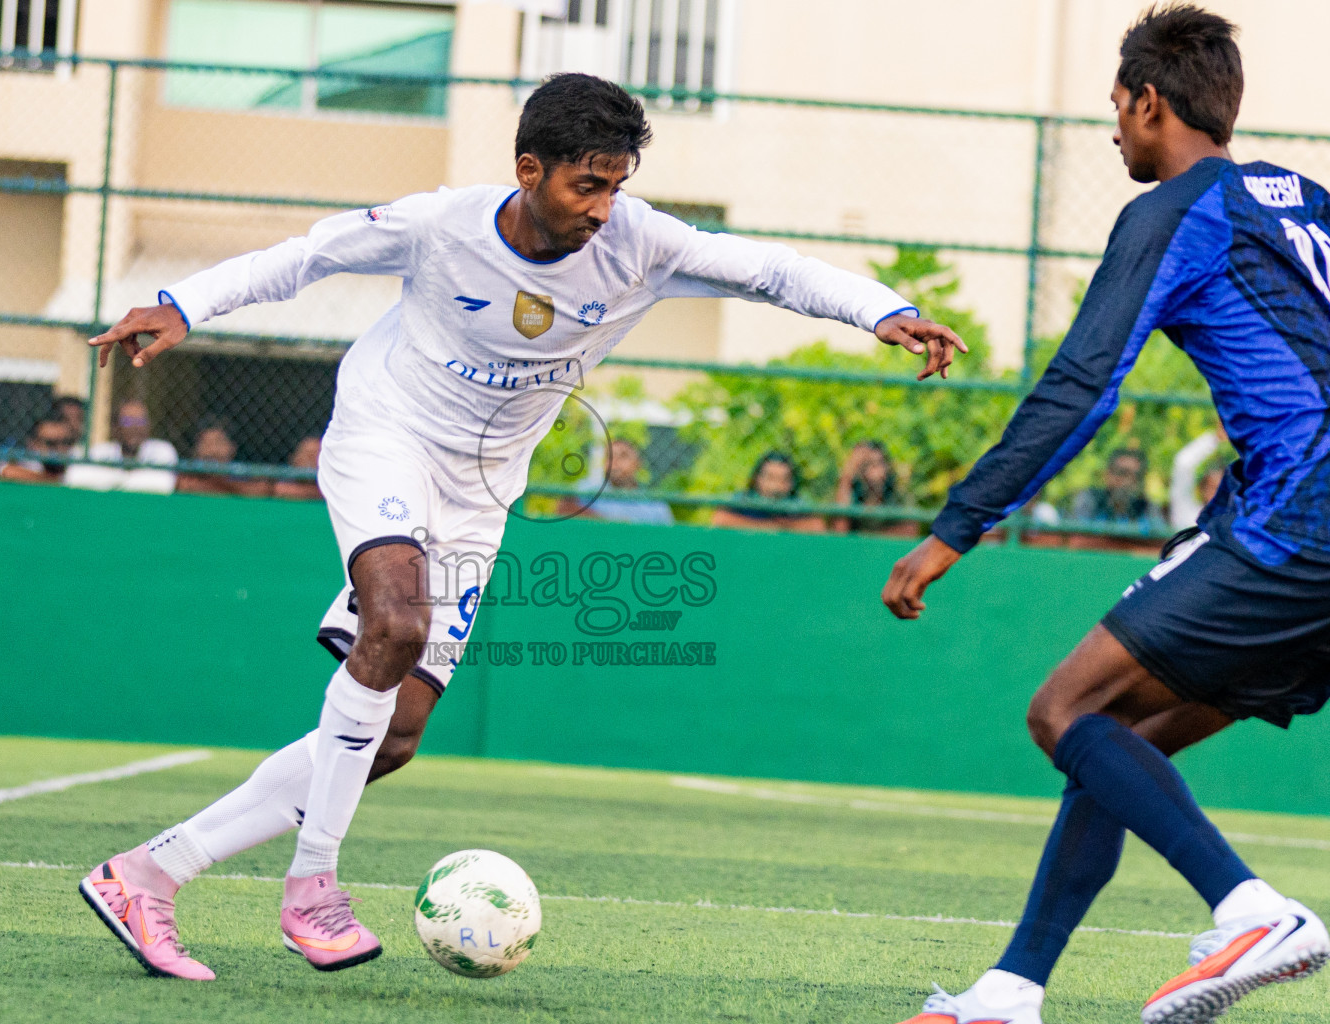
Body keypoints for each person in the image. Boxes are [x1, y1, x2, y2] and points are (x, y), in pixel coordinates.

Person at [81, 72, 964, 982]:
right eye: (588, 185)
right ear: (528, 169)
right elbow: (307, 257)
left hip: (481, 490)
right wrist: (182, 305)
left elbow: (773, 271)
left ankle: (150, 872)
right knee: (393, 623)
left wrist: (884, 311)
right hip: (387, 435)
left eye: (617, 185)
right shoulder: (440, 225)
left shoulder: (638, 242)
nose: (605, 207)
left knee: (395, 735)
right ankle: (312, 887)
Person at [884, 8, 1330, 1023]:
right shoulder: (1308, 201)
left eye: (1117, 111)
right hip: (1299, 517)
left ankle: (1253, 911)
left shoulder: (1179, 207)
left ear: (1148, 100)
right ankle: (1009, 991)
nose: (1114, 134)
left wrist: (958, 523)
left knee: (1065, 711)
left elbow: (1086, 382)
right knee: (1123, 735)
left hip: (1300, 517)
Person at [64, 399, 179, 495]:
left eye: (140, 422)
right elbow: (74, 478)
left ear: (148, 427)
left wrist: (109, 482)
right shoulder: (101, 452)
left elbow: (163, 485)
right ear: (115, 427)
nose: (135, 427)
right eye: (127, 421)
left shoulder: (162, 450)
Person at [1064, 447, 1168, 551]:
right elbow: (1076, 541)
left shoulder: (1148, 508)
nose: (1128, 482)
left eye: (1137, 476)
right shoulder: (1091, 500)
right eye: (1122, 473)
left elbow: (1160, 548)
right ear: (1107, 474)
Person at [710, 452, 825, 533]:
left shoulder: (797, 504)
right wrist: (767, 527)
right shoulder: (744, 499)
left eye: (783, 479)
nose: (776, 486)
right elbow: (720, 519)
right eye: (770, 478)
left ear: (791, 484)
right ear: (757, 479)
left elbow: (817, 526)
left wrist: (779, 528)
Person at [570, 437, 673, 525]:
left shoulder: (654, 505)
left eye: (623, 456)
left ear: (637, 463)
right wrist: (609, 523)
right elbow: (564, 508)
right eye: (610, 457)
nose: (615, 462)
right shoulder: (589, 489)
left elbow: (667, 539)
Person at [829, 440, 917, 538]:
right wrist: (847, 476)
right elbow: (839, 529)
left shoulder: (897, 495)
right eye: (866, 464)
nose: (873, 470)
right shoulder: (852, 492)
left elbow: (909, 531)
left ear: (886, 467)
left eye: (878, 463)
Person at [177, 420, 271, 497]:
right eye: (205, 443)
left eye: (218, 442)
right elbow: (183, 486)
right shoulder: (187, 473)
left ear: (232, 448)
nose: (212, 450)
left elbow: (260, 490)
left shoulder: (244, 473)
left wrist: (218, 482)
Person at [1169, 427, 1226, 529]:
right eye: (1212, 487)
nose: (1216, 494)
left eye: (1222, 489)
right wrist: (1215, 438)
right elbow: (1183, 464)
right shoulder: (1187, 513)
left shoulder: (1236, 522)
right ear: (1202, 489)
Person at [0, 416, 76, 484]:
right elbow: (9, 472)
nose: (60, 448)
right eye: (51, 443)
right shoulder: (31, 464)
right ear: (34, 444)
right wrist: (54, 481)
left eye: (66, 442)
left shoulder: (78, 463)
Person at [273, 434, 324, 501]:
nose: (312, 461)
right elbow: (280, 489)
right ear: (296, 457)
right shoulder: (286, 476)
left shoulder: (328, 480)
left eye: (316, 455)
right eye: (309, 455)